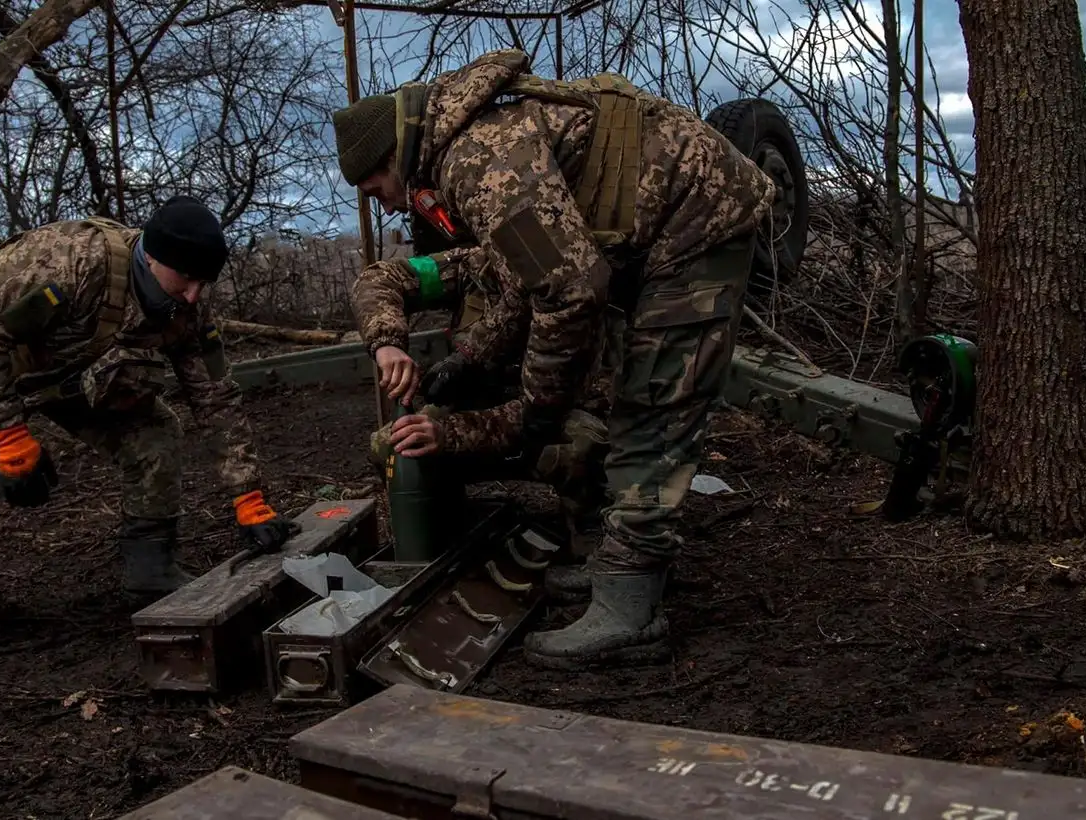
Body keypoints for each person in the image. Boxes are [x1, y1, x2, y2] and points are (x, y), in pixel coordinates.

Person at [330, 49, 777, 670]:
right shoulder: (470, 144)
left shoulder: (474, 159)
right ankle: (618, 568)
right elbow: (527, 277)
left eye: (374, 187)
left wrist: (535, 414)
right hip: (663, 227)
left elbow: (571, 292)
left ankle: (630, 610)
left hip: (699, 222)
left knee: (655, 405)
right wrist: (471, 359)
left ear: (389, 158)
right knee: (638, 403)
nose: (382, 204)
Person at [0, 196, 298, 691]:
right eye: (187, 281)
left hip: (64, 372)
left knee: (155, 435)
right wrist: (10, 435)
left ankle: (150, 568)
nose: (196, 296)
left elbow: (215, 397)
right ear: (153, 258)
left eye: (206, 284)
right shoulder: (74, 259)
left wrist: (249, 497)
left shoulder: (187, 303)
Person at [353, 244, 611, 560]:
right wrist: (387, 343)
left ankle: (593, 547)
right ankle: (450, 535)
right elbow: (380, 277)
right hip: (472, 414)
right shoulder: (472, 267)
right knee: (394, 444)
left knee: (583, 443)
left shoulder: (577, 281)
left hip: (546, 423)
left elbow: (551, 405)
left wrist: (450, 433)